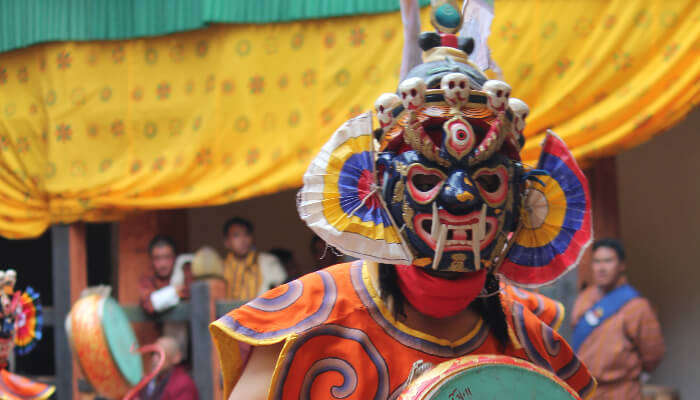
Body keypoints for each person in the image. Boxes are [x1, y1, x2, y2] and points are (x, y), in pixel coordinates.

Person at [211, 3, 596, 399]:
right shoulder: (310, 321)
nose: (461, 197)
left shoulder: (527, 333)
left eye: (488, 182)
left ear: (521, 200)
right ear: (377, 191)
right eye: (428, 178)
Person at [571, 239, 665, 399]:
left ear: (622, 265)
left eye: (608, 261)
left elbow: (653, 354)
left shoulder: (637, 306)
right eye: (597, 261)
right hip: (586, 392)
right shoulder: (584, 299)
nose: (601, 268)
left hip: (622, 391)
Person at [221, 217, 286, 300]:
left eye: (246, 234)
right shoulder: (219, 269)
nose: (243, 240)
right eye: (236, 235)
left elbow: (281, 293)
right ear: (226, 242)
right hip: (231, 313)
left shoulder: (268, 262)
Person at [139, 235, 192, 314]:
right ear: (151, 260)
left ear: (174, 257)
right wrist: (175, 291)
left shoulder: (186, 274)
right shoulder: (147, 279)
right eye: (157, 258)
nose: (163, 264)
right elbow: (149, 304)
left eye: (167, 257)